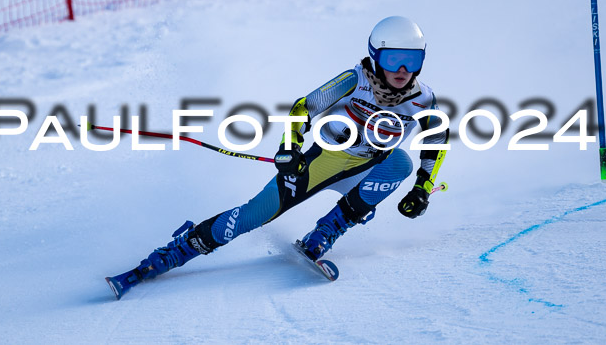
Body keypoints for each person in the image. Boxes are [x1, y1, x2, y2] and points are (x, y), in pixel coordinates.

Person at [107, 16, 449, 298]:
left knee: (400, 163)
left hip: (366, 168)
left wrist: (423, 186)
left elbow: (436, 138)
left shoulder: (424, 98)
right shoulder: (353, 80)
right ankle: (169, 255)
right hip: (322, 162)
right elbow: (304, 108)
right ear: (375, 56)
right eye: (393, 59)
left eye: (413, 60)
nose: (403, 69)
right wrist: (290, 148)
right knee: (256, 214)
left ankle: (326, 232)